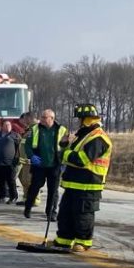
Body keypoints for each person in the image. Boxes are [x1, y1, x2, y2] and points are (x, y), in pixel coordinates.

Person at [51, 104, 113, 252]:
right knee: (65, 214)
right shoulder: (83, 135)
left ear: (87, 119)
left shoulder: (98, 138)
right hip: (73, 184)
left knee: (83, 216)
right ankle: (63, 241)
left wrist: (63, 155)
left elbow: (82, 159)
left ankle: (83, 243)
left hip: (89, 185)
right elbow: (71, 153)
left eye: (80, 119)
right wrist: (64, 145)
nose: (79, 122)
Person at [23, 109, 69, 221]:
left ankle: (51, 213)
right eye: (42, 117)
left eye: (45, 117)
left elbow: (66, 147)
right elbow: (27, 145)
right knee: (34, 187)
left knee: (53, 191)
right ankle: (28, 208)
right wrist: (31, 156)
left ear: (52, 118)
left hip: (55, 165)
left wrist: (63, 162)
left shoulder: (62, 130)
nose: (42, 119)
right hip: (39, 165)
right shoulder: (34, 129)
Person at [15, 111, 40, 207]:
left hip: (31, 161)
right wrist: (18, 156)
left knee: (31, 181)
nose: (24, 121)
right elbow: (23, 144)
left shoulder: (36, 129)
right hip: (25, 161)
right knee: (25, 181)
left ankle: (34, 199)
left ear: (30, 118)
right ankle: (26, 198)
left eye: (25, 119)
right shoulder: (29, 129)